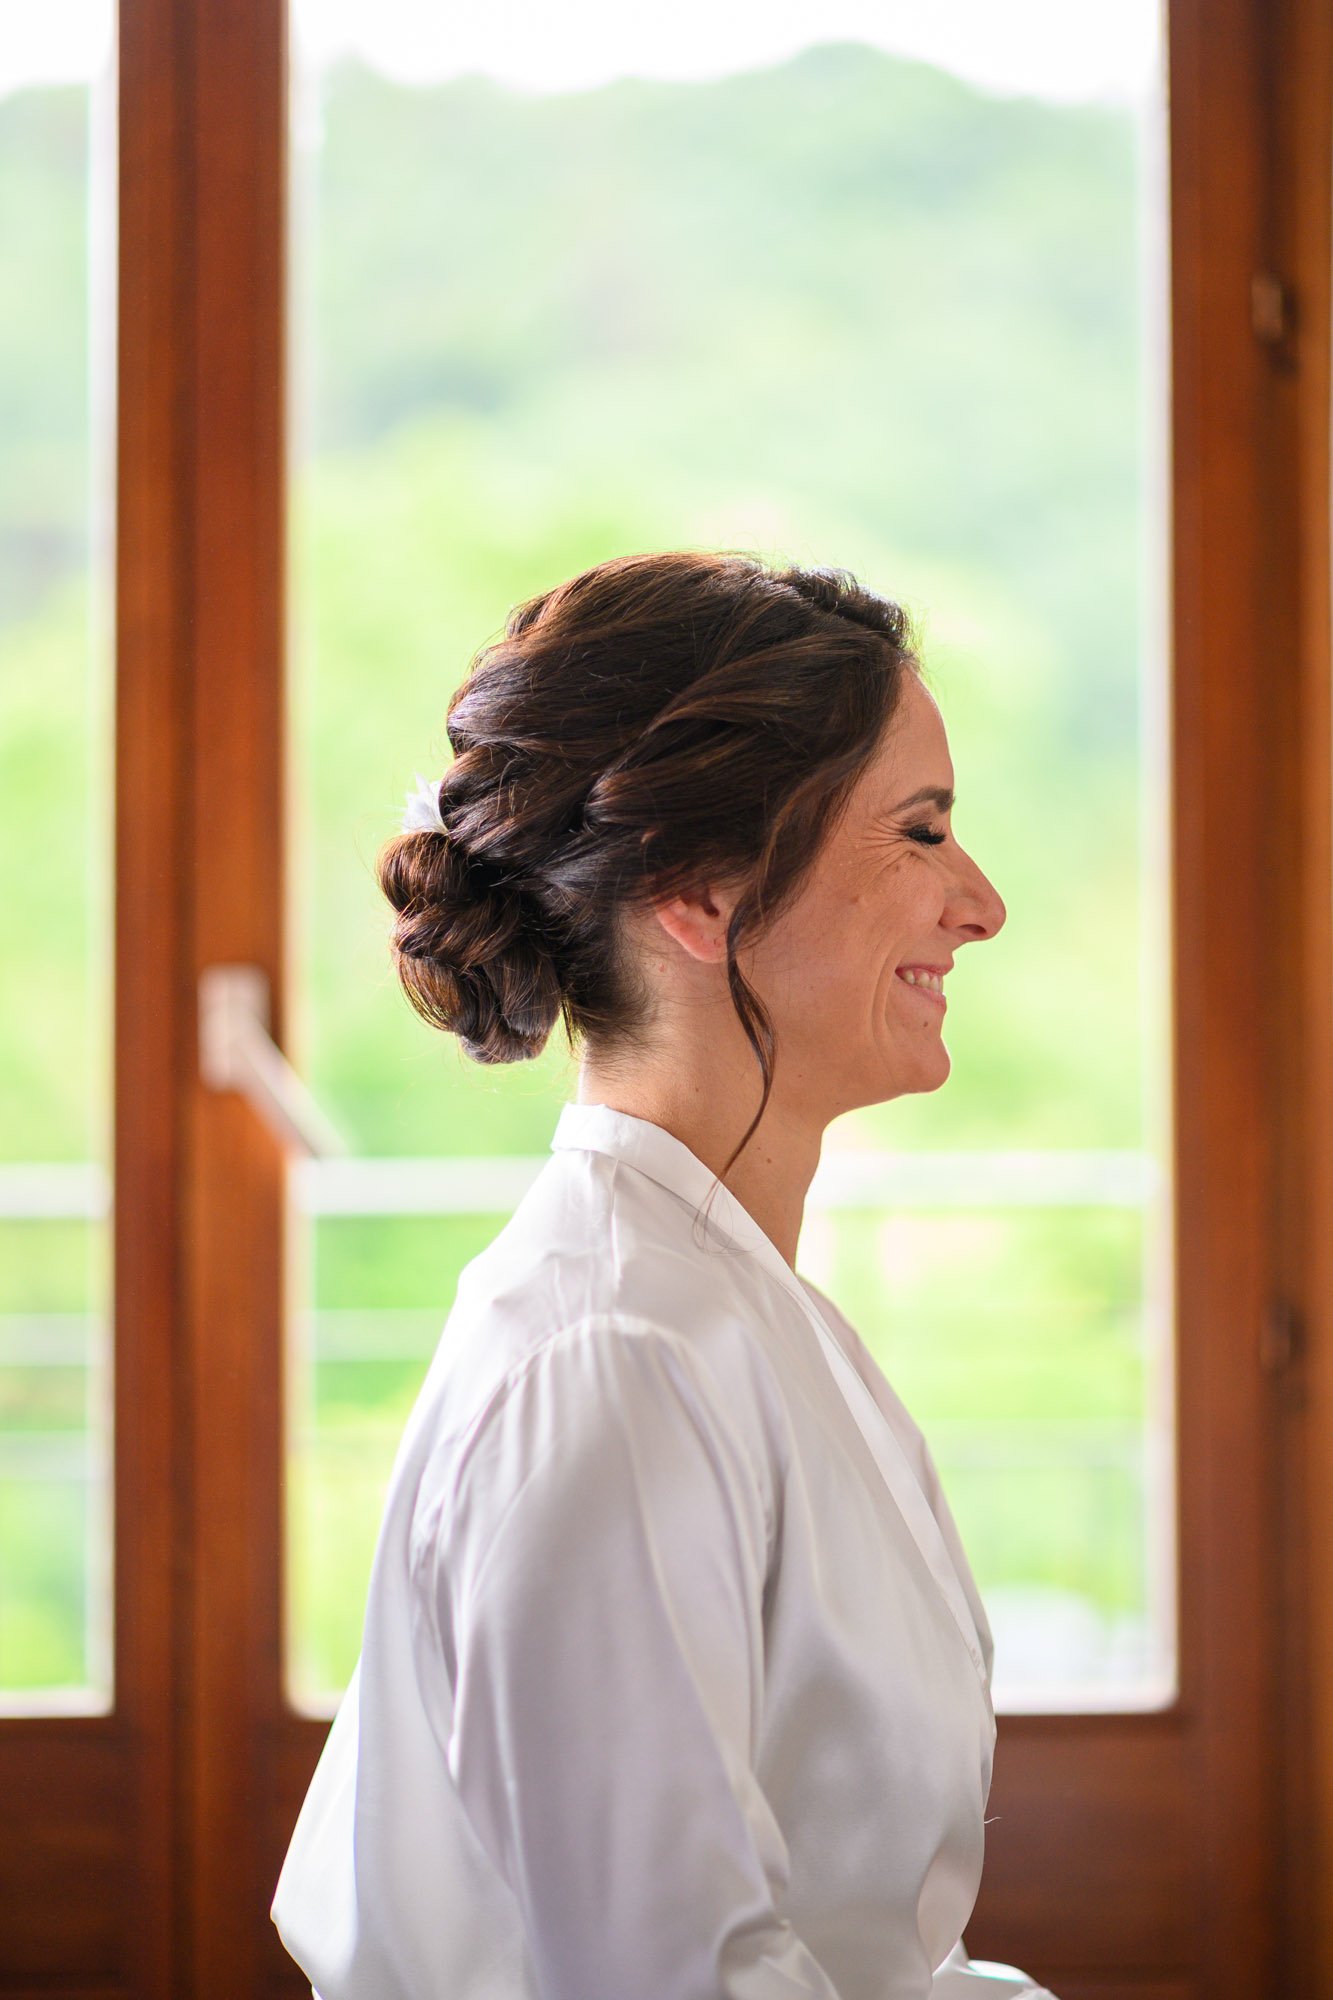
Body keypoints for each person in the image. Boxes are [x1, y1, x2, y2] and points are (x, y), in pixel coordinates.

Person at [271, 549, 1059, 1999]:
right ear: (699, 889)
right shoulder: (611, 1359)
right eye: (920, 832)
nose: (980, 903)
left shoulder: (731, 1310)